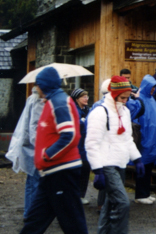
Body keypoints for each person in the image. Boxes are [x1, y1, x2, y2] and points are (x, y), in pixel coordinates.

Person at [20, 66, 88, 234]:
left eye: (37, 84)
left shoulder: (58, 103)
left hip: (61, 172)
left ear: (44, 85)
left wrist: (46, 154)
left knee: (73, 223)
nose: (36, 88)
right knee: (35, 220)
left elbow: (69, 135)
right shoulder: (53, 101)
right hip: (51, 173)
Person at [86, 76, 145, 234]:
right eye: (123, 97)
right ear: (113, 94)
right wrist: (97, 170)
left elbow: (127, 138)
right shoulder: (99, 112)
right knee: (122, 203)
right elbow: (91, 143)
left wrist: (137, 159)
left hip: (121, 162)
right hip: (106, 163)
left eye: (128, 97)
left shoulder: (125, 112)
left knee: (110, 204)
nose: (126, 101)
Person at [6, 86, 45, 221]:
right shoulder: (38, 101)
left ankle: (29, 213)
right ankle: (32, 215)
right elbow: (35, 126)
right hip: (34, 147)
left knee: (31, 181)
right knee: (35, 181)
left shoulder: (31, 98)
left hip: (28, 146)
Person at [133, 75, 156, 204]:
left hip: (153, 139)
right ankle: (140, 195)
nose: (153, 90)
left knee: (148, 167)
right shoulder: (140, 100)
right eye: (152, 87)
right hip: (145, 139)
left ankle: (145, 193)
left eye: (154, 87)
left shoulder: (151, 100)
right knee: (143, 168)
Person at [70, 88, 91, 205]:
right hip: (78, 145)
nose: (86, 98)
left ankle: (81, 194)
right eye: (84, 97)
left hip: (86, 145)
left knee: (86, 169)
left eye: (87, 96)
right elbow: (78, 125)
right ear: (77, 99)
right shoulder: (74, 110)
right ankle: (77, 195)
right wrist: (84, 121)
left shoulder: (87, 110)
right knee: (79, 170)